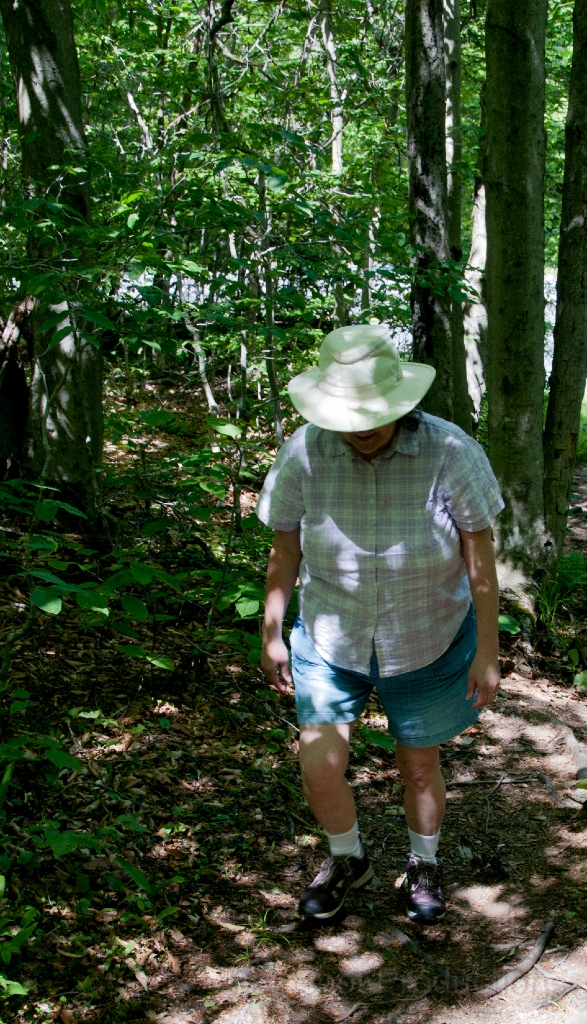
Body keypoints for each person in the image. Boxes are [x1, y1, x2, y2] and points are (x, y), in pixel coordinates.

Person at [256, 324, 503, 925]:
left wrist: (488, 651)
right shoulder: (303, 452)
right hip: (329, 637)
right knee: (318, 764)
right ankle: (348, 859)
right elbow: (284, 553)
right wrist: (270, 630)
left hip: (427, 637)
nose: (360, 425)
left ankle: (423, 862)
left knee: (418, 764)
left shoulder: (450, 451)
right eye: (346, 413)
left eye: (371, 411)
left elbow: (480, 558)